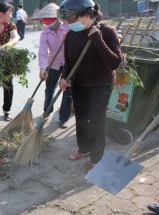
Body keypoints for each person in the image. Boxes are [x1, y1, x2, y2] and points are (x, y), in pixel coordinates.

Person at [58, 0, 122, 172]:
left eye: (72, 19)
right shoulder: (72, 34)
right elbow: (68, 62)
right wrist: (63, 78)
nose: (70, 23)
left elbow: (115, 62)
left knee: (96, 121)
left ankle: (97, 157)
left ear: (87, 15)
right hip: (79, 84)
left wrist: (96, 38)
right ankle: (84, 149)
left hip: (100, 84)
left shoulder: (107, 32)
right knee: (81, 119)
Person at [37, 3, 72, 129]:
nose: (49, 25)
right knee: (49, 88)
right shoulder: (45, 34)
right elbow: (42, 52)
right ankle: (47, 111)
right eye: (47, 22)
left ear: (58, 18)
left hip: (69, 63)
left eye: (51, 21)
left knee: (67, 90)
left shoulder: (68, 28)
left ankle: (63, 118)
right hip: (53, 64)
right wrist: (43, 68)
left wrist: (68, 40)